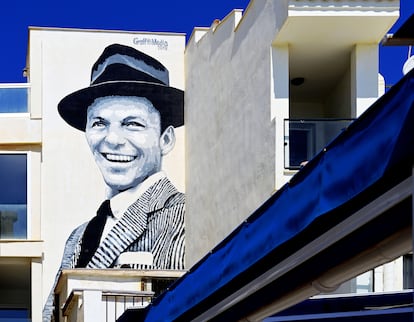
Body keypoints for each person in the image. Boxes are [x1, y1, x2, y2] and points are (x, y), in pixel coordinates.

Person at [43, 43, 185, 321]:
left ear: (165, 139)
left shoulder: (187, 215)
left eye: (133, 124)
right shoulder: (78, 236)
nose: (113, 140)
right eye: (99, 123)